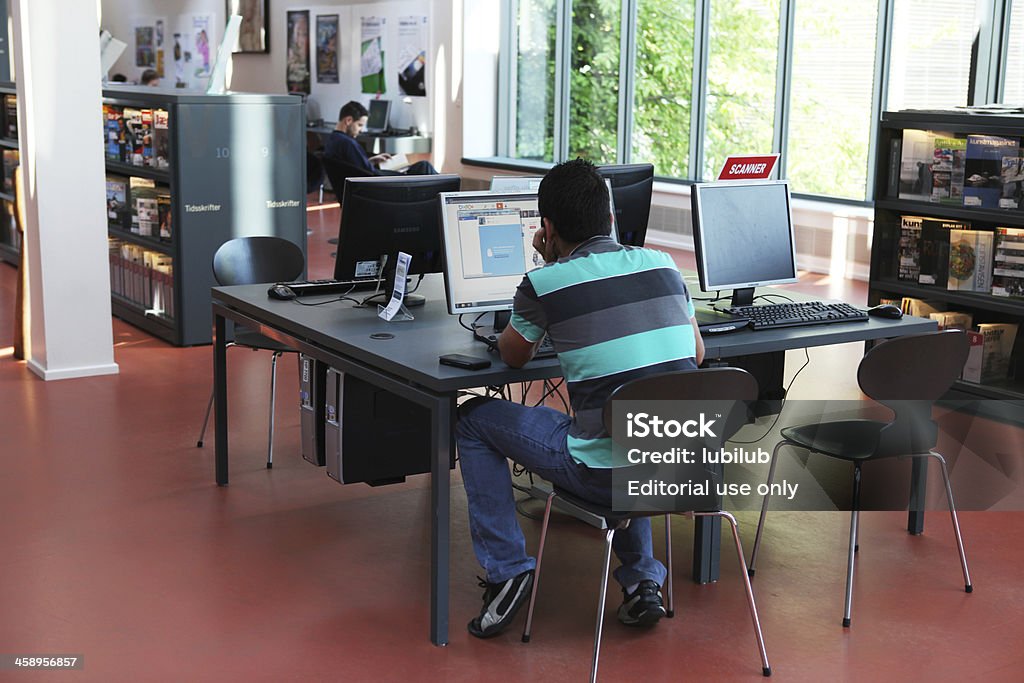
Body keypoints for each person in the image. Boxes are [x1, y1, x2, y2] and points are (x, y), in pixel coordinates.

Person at [456, 158, 705, 638]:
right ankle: (642, 584)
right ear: (611, 219)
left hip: (603, 476)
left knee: (472, 418)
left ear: (545, 228)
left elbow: (513, 357)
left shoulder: (545, 282)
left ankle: (506, 570)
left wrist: (549, 274)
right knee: (635, 425)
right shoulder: (664, 264)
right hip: (679, 467)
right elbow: (694, 352)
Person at [323, 101, 437, 176]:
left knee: (421, 168)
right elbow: (369, 174)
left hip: (368, 184)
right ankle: (451, 197)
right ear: (348, 120)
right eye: (360, 125)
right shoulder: (348, 143)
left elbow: (355, 168)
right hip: (378, 185)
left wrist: (371, 161)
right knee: (424, 167)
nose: (361, 130)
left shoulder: (334, 140)